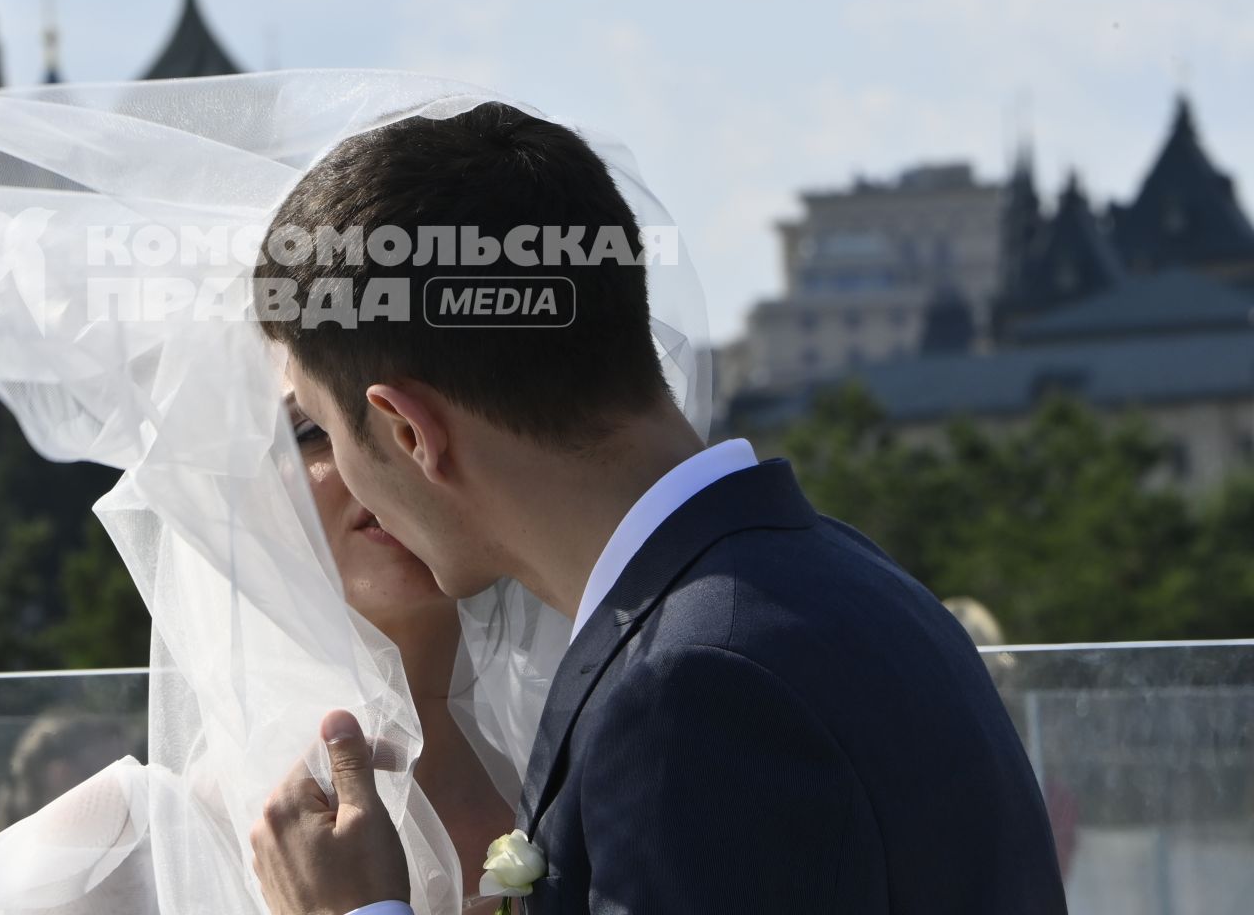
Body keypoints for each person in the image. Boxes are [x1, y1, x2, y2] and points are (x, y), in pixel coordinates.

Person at [0, 63, 712, 913]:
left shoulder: (586, 773)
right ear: (228, 482)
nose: (363, 463)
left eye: (382, 418)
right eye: (307, 432)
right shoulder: (110, 854)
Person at [248, 102, 1068, 913]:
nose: (344, 474)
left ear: (406, 430)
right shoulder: (857, 581)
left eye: (325, 427)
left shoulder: (690, 691)